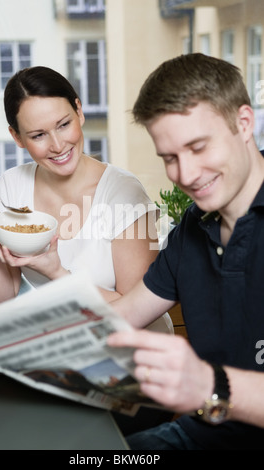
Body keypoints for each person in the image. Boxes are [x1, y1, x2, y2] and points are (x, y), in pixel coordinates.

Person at [106, 53, 264, 449]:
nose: (186, 175)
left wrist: (209, 384)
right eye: (170, 158)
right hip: (204, 434)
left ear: (244, 123)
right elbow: (119, 318)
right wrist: (12, 353)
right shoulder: (193, 227)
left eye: (198, 147)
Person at [0, 66, 159, 308]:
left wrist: (57, 272)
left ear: (79, 111)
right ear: (17, 137)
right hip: (62, 337)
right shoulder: (13, 185)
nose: (57, 145)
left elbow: (140, 308)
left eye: (64, 124)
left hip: (128, 340)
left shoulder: (124, 193)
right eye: (38, 135)